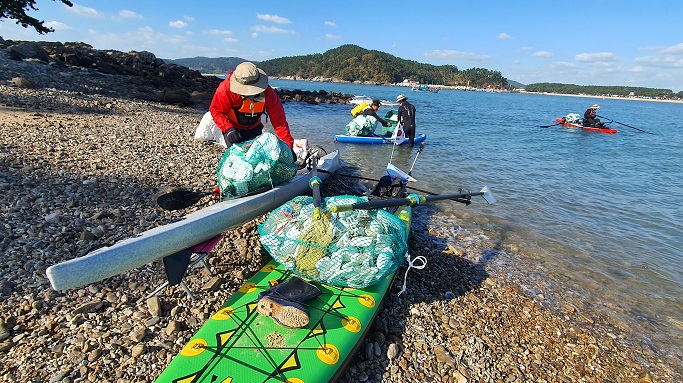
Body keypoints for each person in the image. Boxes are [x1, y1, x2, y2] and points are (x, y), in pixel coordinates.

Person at [209, 62, 294, 148]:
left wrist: (288, 145)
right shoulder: (225, 89)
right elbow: (216, 111)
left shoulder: (268, 93)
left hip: (254, 128)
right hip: (233, 129)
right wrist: (228, 128)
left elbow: (279, 122)